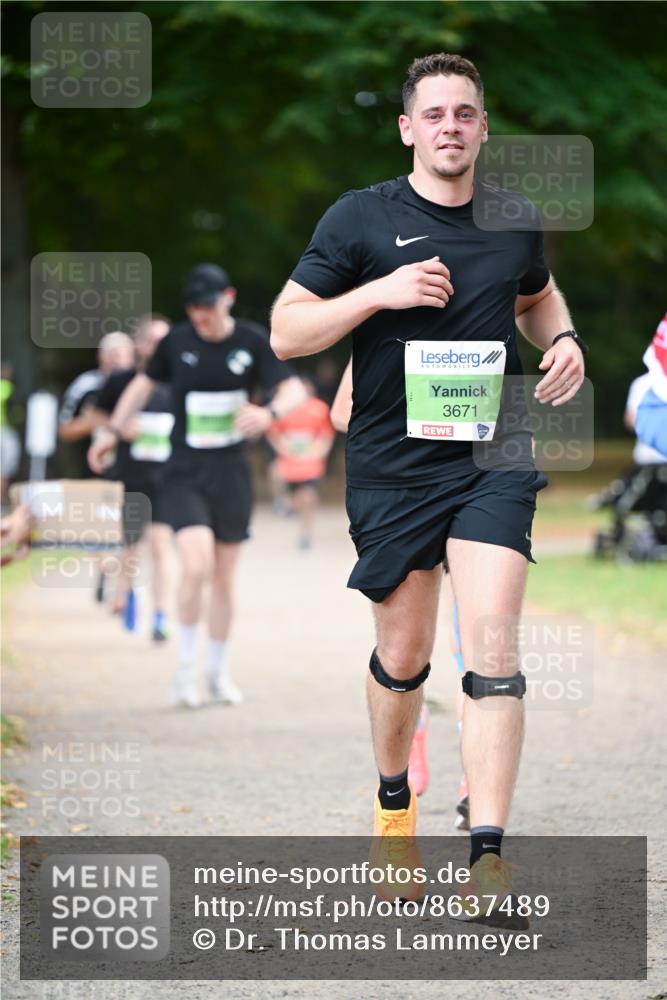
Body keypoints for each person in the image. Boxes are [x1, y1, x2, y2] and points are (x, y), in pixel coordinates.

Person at [272, 53, 586, 922]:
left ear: (483, 127)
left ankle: (486, 857)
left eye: (465, 113)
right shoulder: (359, 217)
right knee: (404, 656)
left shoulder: (513, 219)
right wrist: (379, 291)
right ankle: (392, 809)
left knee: (492, 652)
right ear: (407, 128)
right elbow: (288, 333)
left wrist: (564, 340)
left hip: (490, 460)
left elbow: (537, 298)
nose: (451, 125)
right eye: (435, 113)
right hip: (392, 467)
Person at [89, 263, 305, 708]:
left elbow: (294, 390)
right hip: (184, 471)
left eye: (207, 306)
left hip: (231, 473)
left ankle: (217, 672)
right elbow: (141, 386)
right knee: (196, 564)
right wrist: (112, 430)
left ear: (228, 298)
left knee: (224, 578)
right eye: (193, 308)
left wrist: (268, 414)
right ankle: (185, 669)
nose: (200, 316)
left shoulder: (251, 341)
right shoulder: (177, 342)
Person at [91, 315, 174, 640]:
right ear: (139, 345)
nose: (157, 346)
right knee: (131, 546)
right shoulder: (121, 380)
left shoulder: (179, 378)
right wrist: (120, 427)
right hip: (131, 476)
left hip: (167, 477)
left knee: (162, 545)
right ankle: (127, 598)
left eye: (163, 340)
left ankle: (161, 616)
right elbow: (96, 414)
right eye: (151, 340)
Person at [266, 379, 335, 549]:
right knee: (275, 472)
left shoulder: (319, 409)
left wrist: (318, 452)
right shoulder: (282, 408)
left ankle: (305, 533)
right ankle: (283, 502)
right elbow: (273, 433)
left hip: (309, 461)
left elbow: (326, 435)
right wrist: (285, 448)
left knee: (308, 497)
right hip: (288, 460)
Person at [59, 332, 135, 478]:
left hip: (135, 475)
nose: (117, 361)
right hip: (92, 473)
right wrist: (101, 422)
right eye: (113, 355)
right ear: (100, 357)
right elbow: (65, 429)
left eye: (123, 355)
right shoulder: (86, 385)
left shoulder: (144, 389)